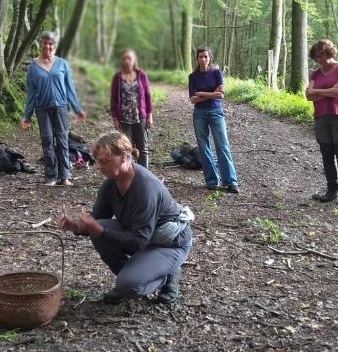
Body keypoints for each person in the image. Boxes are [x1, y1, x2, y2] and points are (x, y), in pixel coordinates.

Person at [58, 132, 193, 304]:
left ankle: (165, 276)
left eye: (104, 161)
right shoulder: (110, 184)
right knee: (99, 232)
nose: (99, 166)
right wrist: (76, 226)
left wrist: (99, 229)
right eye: (98, 161)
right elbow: (97, 219)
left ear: (123, 157)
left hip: (169, 242)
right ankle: (133, 275)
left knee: (129, 285)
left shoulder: (145, 188)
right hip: (144, 236)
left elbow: (138, 241)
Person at [21, 31, 86, 186]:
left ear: (54, 46)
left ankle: (64, 176)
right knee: (47, 141)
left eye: (51, 44)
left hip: (61, 107)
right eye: (45, 43)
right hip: (42, 109)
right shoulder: (33, 67)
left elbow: (70, 89)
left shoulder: (62, 64)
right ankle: (50, 176)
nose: (48, 47)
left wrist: (77, 109)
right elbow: (31, 93)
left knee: (63, 141)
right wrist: (27, 115)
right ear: (40, 44)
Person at [305, 39, 338, 205]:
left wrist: (318, 91)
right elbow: (308, 96)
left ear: (329, 53)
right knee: (327, 154)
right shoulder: (316, 74)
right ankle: (331, 191)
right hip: (321, 115)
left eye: (321, 55)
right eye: (316, 57)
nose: (319, 60)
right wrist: (330, 92)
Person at [188, 47, 239, 193]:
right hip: (199, 114)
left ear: (210, 57)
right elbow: (192, 99)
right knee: (203, 147)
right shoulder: (193, 77)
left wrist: (202, 93)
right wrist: (212, 93)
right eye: (200, 57)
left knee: (222, 145)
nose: (203, 59)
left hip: (216, 112)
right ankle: (211, 181)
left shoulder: (216, 73)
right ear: (197, 59)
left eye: (205, 56)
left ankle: (230, 181)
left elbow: (221, 95)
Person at [110, 49, 153, 168]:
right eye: (124, 58)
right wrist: (115, 118)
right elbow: (113, 99)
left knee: (143, 149)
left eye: (129, 58)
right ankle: (130, 173)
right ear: (121, 60)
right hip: (124, 119)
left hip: (140, 117)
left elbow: (148, 96)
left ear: (134, 60)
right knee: (126, 149)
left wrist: (149, 115)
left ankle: (144, 174)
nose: (127, 61)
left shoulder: (141, 75)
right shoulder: (117, 77)